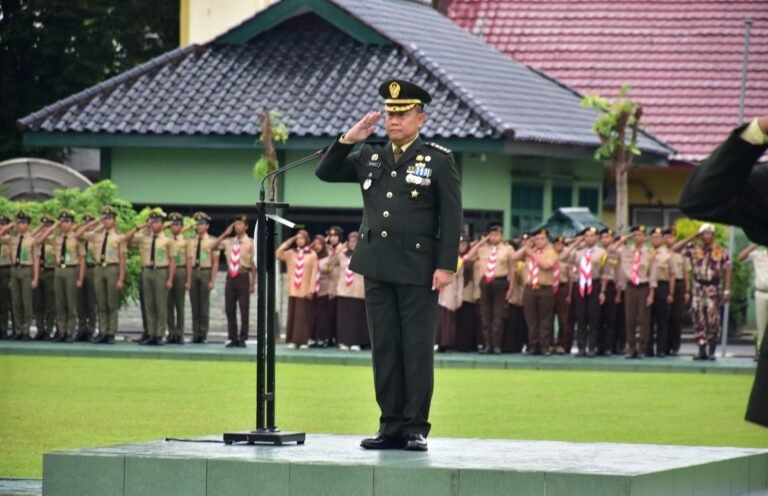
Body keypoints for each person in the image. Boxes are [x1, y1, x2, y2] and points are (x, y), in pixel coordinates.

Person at [315, 79, 461, 451]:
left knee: (415, 347)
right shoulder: (370, 155)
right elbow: (326, 172)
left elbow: (452, 215)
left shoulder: (438, 159)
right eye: (391, 113)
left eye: (403, 113)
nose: (394, 120)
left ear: (421, 118)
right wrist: (351, 137)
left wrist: (446, 265)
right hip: (377, 265)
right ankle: (389, 424)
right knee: (384, 349)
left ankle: (415, 427)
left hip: (417, 268)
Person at [672, 224, 731, 361]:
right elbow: (675, 249)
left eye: (708, 233)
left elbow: (727, 269)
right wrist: (693, 237)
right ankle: (701, 349)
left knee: (713, 320)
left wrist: (727, 290)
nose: (706, 236)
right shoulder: (694, 249)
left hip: (713, 289)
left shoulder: (721, 251)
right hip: (698, 289)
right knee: (698, 319)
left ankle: (711, 350)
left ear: (713, 235)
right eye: (704, 234)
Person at [125, 209, 177, 346]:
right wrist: (140, 227)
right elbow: (126, 239)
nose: (154, 224)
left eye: (157, 222)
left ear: (162, 224)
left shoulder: (168, 240)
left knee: (160, 304)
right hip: (146, 271)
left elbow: (173, 261)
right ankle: (151, 333)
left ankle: (160, 334)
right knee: (149, 305)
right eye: (152, 222)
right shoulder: (144, 238)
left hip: (161, 271)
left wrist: (170, 279)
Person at [76, 206, 127, 344]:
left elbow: (123, 259)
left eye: (109, 218)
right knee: (101, 303)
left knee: (111, 303)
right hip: (99, 269)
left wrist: (121, 278)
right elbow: (78, 235)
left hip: (112, 268)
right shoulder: (96, 235)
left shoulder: (119, 237)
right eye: (104, 218)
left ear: (114, 221)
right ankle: (103, 332)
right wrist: (94, 223)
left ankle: (111, 333)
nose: (106, 221)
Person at [464, 225, 516, 354]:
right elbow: (469, 256)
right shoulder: (483, 249)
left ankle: (496, 345)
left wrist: (511, 288)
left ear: (501, 236)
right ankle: (487, 345)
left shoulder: (508, 249)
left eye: (496, 235)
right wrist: (481, 241)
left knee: (498, 316)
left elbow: (512, 270)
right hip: (485, 282)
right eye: (491, 235)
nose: (493, 237)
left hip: (500, 282)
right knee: (485, 315)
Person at [37, 211, 86, 342]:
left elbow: (82, 260)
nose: (64, 224)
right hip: (58, 270)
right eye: (62, 222)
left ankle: (70, 332)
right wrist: (54, 226)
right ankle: (61, 331)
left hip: (71, 270)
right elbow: (40, 240)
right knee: (59, 303)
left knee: (70, 303)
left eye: (67, 221)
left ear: (72, 223)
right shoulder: (56, 238)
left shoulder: (76, 238)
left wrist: (80, 278)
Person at [565, 227, 610, 357]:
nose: (589, 238)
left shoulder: (602, 253)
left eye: (592, 236)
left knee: (593, 317)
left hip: (594, 283)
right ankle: (581, 347)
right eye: (586, 236)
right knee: (581, 317)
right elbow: (567, 263)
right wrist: (575, 243)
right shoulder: (577, 252)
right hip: (580, 284)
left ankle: (592, 346)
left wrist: (602, 291)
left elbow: (605, 273)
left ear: (596, 238)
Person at [513, 227, 558, 355]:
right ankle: (533, 345)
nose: (539, 241)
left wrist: (532, 254)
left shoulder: (551, 252)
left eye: (542, 239)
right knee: (531, 319)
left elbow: (546, 265)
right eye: (536, 239)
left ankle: (544, 346)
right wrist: (526, 247)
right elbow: (514, 257)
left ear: (547, 240)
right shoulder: (529, 251)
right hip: (530, 288)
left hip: (545, 288)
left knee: (545, 319)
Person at [213, 215, 256, 348]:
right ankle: (232, 338)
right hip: (230, 277)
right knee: (229, 309)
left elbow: (254, 264)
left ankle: (243, 338)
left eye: (241, 224)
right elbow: (213, 246)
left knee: (244, 309)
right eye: (236, 224)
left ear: (246, 226)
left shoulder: (251, 242)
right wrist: (225, 233)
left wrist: (253, 283)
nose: (238, 226)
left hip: (243, 276)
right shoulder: (228, 241)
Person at [615, 225, 657, 359]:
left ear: (645, 237)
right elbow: (611, 250)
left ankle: (642, 348)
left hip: (644, 286)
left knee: (644, 319)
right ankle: (631, 347)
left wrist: (651, 293)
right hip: (631, 286)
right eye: (635, 235)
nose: (637, 237)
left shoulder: (650, 252)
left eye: (640, 235)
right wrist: (624, 239)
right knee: (630, 318)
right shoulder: (626, 251)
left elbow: (653, 273)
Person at [0, 211, 40, 340]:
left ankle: (25, 330)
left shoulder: (32, 240)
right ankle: (17, 330)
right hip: (15, 270)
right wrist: (8, 226)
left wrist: (35, 278)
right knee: (16, 302)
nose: (20, 225)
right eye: (19, 223)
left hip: (26, 270)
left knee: (26, 302)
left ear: (28, 225)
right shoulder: (12, 238)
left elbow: (36, 260)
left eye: (23, 223)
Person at [277, 230, 318, 350]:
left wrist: (311, 289)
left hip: (305, 290)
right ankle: (292, 340)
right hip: (293, 289)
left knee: (303, 317)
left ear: (306, 240)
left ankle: (303, 341)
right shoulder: (291, 253)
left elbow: (314, 273)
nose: (300, 241)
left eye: (302, 238)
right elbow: (278, 253)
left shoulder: (312, 255)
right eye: (298, 239)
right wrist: (290, 241)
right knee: (293, 316)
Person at [329, 232, 369, 351]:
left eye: (355, 241)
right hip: (343, 290)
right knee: (344, 318)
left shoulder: (364, 255)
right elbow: (330, 263)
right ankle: (344, 341)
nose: (352, 244)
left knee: (356, 318)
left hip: (358, 291)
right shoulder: (342, 255)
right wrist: (341, 247)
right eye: (350, 241)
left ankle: (355, 342)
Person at [185, 212, 218, 344]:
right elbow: (188, 260)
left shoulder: (212, 240)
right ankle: (195, 333)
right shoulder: (191, 241)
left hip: (205, 272)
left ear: (207, 226)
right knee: (194, 305)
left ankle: (203, 334)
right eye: (197, 224)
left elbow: (216, 262)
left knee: (204, 306)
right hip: (193, 272)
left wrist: (212, 280)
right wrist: (187, 279)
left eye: (202, 223)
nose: (199, 226)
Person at [647, 227, 676, 358]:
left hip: (662, 286)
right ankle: (647, 349)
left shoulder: (667, 254)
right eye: (653, 237)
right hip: (646, 286)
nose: (655, 239)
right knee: (648, 320)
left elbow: (672, 275)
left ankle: (661, 349)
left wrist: (671, 292)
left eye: (658, 237)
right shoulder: (646, 253)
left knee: (662, 320)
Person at [739, 243, 768, 361]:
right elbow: (740, 257)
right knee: (761, 325)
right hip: (761, 292)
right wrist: (755, 244)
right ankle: (761, 353)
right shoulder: (758, 255)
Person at [166, 212, 192, 344]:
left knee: (179, 304)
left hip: (181, 271)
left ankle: (179, 333)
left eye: (176, 225)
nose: (174, 227)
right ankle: (171, 332)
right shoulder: (167, 239)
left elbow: (188, 261)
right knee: (168, 304)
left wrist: (188, 280)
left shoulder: (186, 241)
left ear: (181, 227)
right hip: (168, 272)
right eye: (172, 225)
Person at [665, 227, 689, 356]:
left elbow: (686, 273)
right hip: (664, 285)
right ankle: (664, 346)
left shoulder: (682, 254)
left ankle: (674, 347)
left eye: (673, 237)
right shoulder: (660, 252)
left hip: (679, 285)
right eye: (668, 237)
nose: (670, 239)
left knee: (676, 317)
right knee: (664, 318)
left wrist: (687, 291)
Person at [454, 235, 481, 352]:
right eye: (460, 244)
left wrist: (476, 293)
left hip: (467, 293)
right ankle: (455, 343)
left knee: (468, 320)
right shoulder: (453, 258)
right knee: (455, 320)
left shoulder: (472, 259)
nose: (461, 246)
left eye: (464, 244)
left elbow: (476, 278)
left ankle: (467, 344)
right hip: (454, 293)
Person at [33, 214, 57, 340]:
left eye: (47, 226)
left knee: (49, 304)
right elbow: (32, 236)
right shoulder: (37, 239)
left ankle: (48, 330)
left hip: (49, 273)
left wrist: (52, 229)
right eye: (43, 226)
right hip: (39, 272)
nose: (44, 228)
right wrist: (39, 227)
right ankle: (40, 329)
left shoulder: (54, 239)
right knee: (38, 304)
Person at [76, 213, 98, 342]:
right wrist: (84, 226)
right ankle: (81, 329)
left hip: (92, 269)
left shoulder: (96, 237)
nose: (88, 226)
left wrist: (94, 227)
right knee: (81, 303)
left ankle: (90, 330)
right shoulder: (80, 238)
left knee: (91, 303)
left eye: (90, 223)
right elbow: (77, 233)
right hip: (79, 269)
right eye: (85, 223)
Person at [309, 235, 334, 348]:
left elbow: (331, 273)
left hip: (324, 290)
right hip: (311, 289)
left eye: (320, 244)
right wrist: (310, 247)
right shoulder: (310, 256)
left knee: (323, 316)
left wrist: (331, 290)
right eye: (315, 244)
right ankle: (312, 338)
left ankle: (323, 338)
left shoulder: (328, 258)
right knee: (312, 315)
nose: (317, 246)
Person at [598, 228, 620, 355]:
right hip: (596, 286)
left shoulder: (616, 253)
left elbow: (618, 273)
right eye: (603, 237)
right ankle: (598, 345)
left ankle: (609, 347)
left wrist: (618, 292)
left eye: (608, 237)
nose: (606, 239)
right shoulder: (596, 252)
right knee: (597, 318)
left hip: (611, 287)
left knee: (610, 318)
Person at [552, 235, 574, 355]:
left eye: (561, 244)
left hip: (562, 288)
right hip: (550, 288)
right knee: (548, 317)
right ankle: (550, 343)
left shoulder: (567, 259)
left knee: (563, 318)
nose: (558, 246)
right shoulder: (548, 257)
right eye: (556, 244)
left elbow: (570, 278)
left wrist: (569, 294)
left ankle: (562, 344)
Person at [0, 214, 13, 339]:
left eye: (4, 223)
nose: (1, 226)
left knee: (4, 303)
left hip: (5, 270)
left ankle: (4, 330)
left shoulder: (11, 239)